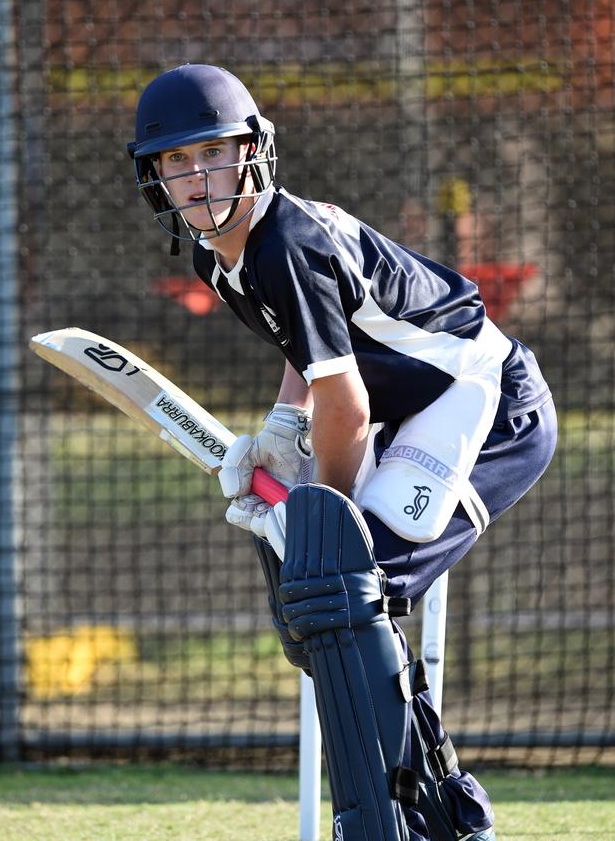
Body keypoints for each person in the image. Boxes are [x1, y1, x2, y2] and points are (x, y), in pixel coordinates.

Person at [129, 64, 557, 841]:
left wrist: (325, 508)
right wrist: (283, 427)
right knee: (329, 610)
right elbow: (313, 351)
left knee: (349, 588)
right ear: (155, 177)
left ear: (253, 151)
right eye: (177, 162)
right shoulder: (217, 260)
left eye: (215, 153)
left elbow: (349, 405)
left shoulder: (283, 239)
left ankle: (413, 817)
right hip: (410, 412)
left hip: (487, 402)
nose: (198, 176)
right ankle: (439, 812)